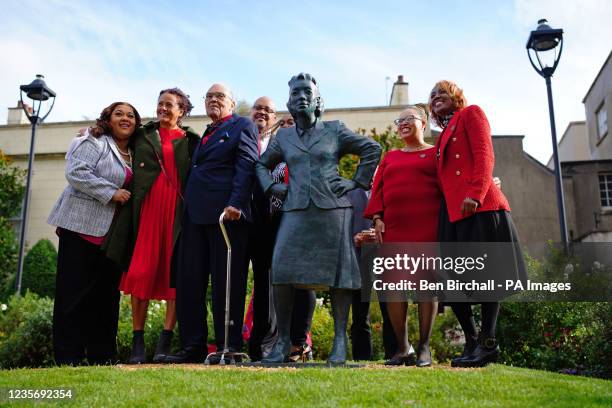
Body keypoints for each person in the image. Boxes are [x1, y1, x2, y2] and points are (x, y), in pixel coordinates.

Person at [256, 73, 381, 364]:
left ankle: (339, 341)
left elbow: (371, 148)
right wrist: (273, 187)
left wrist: (355, 182)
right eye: (296, 92)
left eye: (307, 92)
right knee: (282, 270)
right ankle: (284, 342)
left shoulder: (335, 130)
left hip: (333, 211)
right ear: (289, 101)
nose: (301, 96)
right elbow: (261, 165)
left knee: (339, 276)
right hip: (296, 210)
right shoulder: (284, 137)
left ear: (317, 100)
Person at [429, 80, 525, 367]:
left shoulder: (471, 113)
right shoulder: (443, 133)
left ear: (456, 97)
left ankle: (487, 343)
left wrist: (475, 194)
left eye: (442, 92)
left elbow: (485, 155)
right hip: (453, 212)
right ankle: (472, 341)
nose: (435, 97)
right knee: (450, 279)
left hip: (479, 206)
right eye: (432, 95)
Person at [103, 88, 200, 364]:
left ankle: (164, 343)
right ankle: (137, 342)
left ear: (181, 110)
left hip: (177, 215)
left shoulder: (192, 141)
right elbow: (116, 134)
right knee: (141, 273)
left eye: (169, 105)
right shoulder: (143, 134)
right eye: (160, 104)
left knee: (174, 279)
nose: (163, 109)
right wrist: (92, 132)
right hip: (146, 211)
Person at [166, 83, 258, 364]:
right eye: (209, 96)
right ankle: (193, 346)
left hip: (225, 216)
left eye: (220, 96)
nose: (213, 100)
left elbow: (247, 163)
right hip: (194, 216)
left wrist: (237, 203)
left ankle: (228, 345)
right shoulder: (205, 133)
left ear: (232, 103)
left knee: (226, 282)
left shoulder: (243, 125)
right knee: (189, 280)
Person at [48, 101, 140, 365]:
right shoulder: (95, 141)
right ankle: (68, 358)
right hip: (80, 229)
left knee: (106, 298)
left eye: (131, 115)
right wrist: (111, 192)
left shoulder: (136, 152)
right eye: (119, 114)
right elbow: (75, 172)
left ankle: (103, 356)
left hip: (113, 237)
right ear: (108, 119)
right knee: (72, 296)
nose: (125, 118)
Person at [364, 105, 440, 367]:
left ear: (424, 124)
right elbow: (377, 191)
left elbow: (453, 185)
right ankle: (403, 348)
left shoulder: (435, 154)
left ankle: (424, 348)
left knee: (424, 287)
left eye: (410, 119)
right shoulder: (391, 157)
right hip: (393, 228)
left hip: (428, 228)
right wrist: (377, 218)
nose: (404, 123)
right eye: (400, 120)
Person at [246, 96, 316, 362]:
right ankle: (264, 342)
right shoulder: (273, 156)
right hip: (271, 226)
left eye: (293, 122)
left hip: (302, 224)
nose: (289, 126)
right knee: (270, 285)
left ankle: (299, 343)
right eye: (284, 122)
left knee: (302, 282)